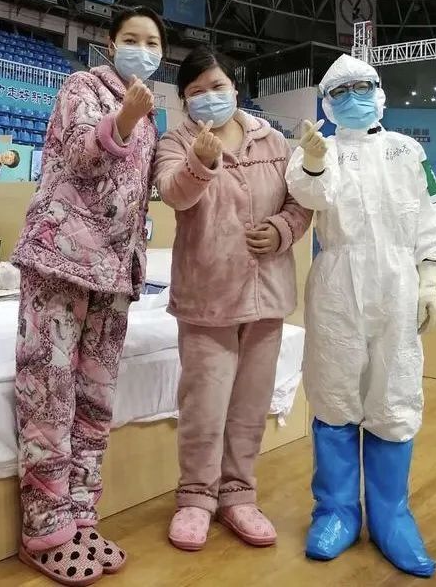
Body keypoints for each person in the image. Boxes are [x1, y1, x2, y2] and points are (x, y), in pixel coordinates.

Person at [10, 6, 166, 586]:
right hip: (62, 259)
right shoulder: (83, 87)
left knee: (96, 400)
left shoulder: (150, 117)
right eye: (132, 38)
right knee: (48, 390)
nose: (142, 50)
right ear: (109, 43)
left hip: (115, 274)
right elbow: (79, 155)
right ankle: (44, 527)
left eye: (153, 42)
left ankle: (79, 514)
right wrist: (123, 118)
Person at [153, 45, 312, 552]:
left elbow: (300, 201)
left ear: (235, 89)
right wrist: (201, 162)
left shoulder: (273, 140)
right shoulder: (176, 141)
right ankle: (196, 498)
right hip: (208, 296)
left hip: (267, 294)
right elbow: (174, 194)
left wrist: (283, 230)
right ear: (184, 101)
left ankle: (239, 494)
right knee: (204, 405)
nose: (209, 97)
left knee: (250, 405)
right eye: (197, 91)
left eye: (217, 86)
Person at [286, 54, 436, 578]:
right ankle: (336, 513)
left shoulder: (407, 150)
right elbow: (311, 192)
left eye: (363, 86)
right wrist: (312, 159)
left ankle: (392, 517)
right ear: (328, 102)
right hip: (338, 284)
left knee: (393, 395)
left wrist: (430, 275)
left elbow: (431, 212)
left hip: (397, 283)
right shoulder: (321, 149)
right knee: (334, 395)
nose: (354, 97)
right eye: (341, 90)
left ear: (379, 90)